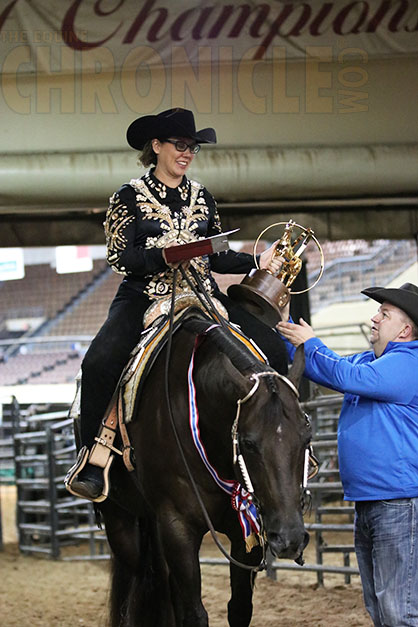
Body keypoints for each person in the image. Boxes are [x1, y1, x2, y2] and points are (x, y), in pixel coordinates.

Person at [67, 107, 287, 501]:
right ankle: (92, 458)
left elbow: (217, 254)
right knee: (97, 362)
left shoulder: (203, 196)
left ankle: (284, 441)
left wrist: (256, 261)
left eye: (192, 147)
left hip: (203, 294)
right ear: (157, 146)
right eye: (180, 145)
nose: (187, 153)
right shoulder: (127, 197)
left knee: (272, 346)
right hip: (145, 295)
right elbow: (121, 258)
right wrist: (167, 256)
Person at [278, 282, 418, 627]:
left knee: (398, 609)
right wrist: (285, 326)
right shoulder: (374, 362)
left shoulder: (407, 364)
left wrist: (311, 342)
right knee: (380, 605)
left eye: (384, 314)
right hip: (375, 500)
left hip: (397, 502)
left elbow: (343, 373)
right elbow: (323, 367)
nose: (374, 319)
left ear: (405, 330)